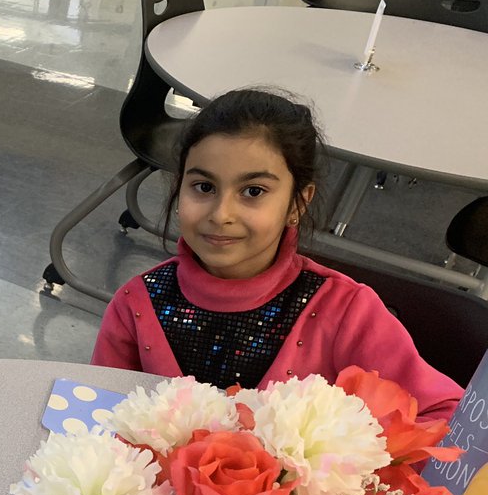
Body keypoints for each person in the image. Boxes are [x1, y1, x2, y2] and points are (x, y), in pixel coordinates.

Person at [91, 88, 461, 421]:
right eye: (203, 187)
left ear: (298, 203)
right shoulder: (136, 305)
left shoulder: (346, 312)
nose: (221, 214)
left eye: (253, 191)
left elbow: (445, 417)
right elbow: (97, 419)